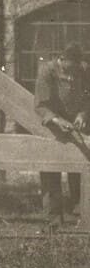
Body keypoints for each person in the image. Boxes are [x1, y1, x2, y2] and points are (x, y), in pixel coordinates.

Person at [34, 42, 90, 219]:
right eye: (69, 69)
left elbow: (88, 96)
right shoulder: (46, 72)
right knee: (51, 171)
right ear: (61, 59)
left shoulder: (82, 69)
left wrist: (82, 114)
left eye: (76, 69)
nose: (72, 75)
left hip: (77, 127)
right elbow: (40, 105)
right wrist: (57, 120)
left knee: (79, 167)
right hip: (52, 128)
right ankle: (53, 218)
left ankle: (77, 211)